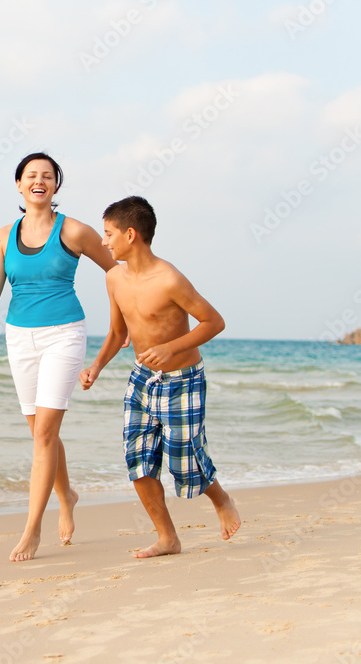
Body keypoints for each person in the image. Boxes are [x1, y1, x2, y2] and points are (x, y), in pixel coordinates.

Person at [0, 152, 117, 562]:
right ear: (19, 185)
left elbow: (117, 270)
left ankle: (32, 530)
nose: (39, 180)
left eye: (47, 176)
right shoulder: (2, 235)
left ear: (55, 187)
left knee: (45, 433)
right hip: (19, 338)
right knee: (40, 433)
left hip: (64, 334)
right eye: (31, 175)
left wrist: (130, 317)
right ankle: (67, 495)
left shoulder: (75, 231)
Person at [79, 195, 241, 558]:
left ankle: (220, 498)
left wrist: (171, 348)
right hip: (141, 379)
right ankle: (167, 538)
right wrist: (96, 366)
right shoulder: (113, 278)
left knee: (183, 457)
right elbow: (118, 334)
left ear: (131, 234)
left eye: (108, 233)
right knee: (138, 459)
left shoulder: (169, 279)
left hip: (183, 379)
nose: (103, 241)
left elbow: (214, 322)